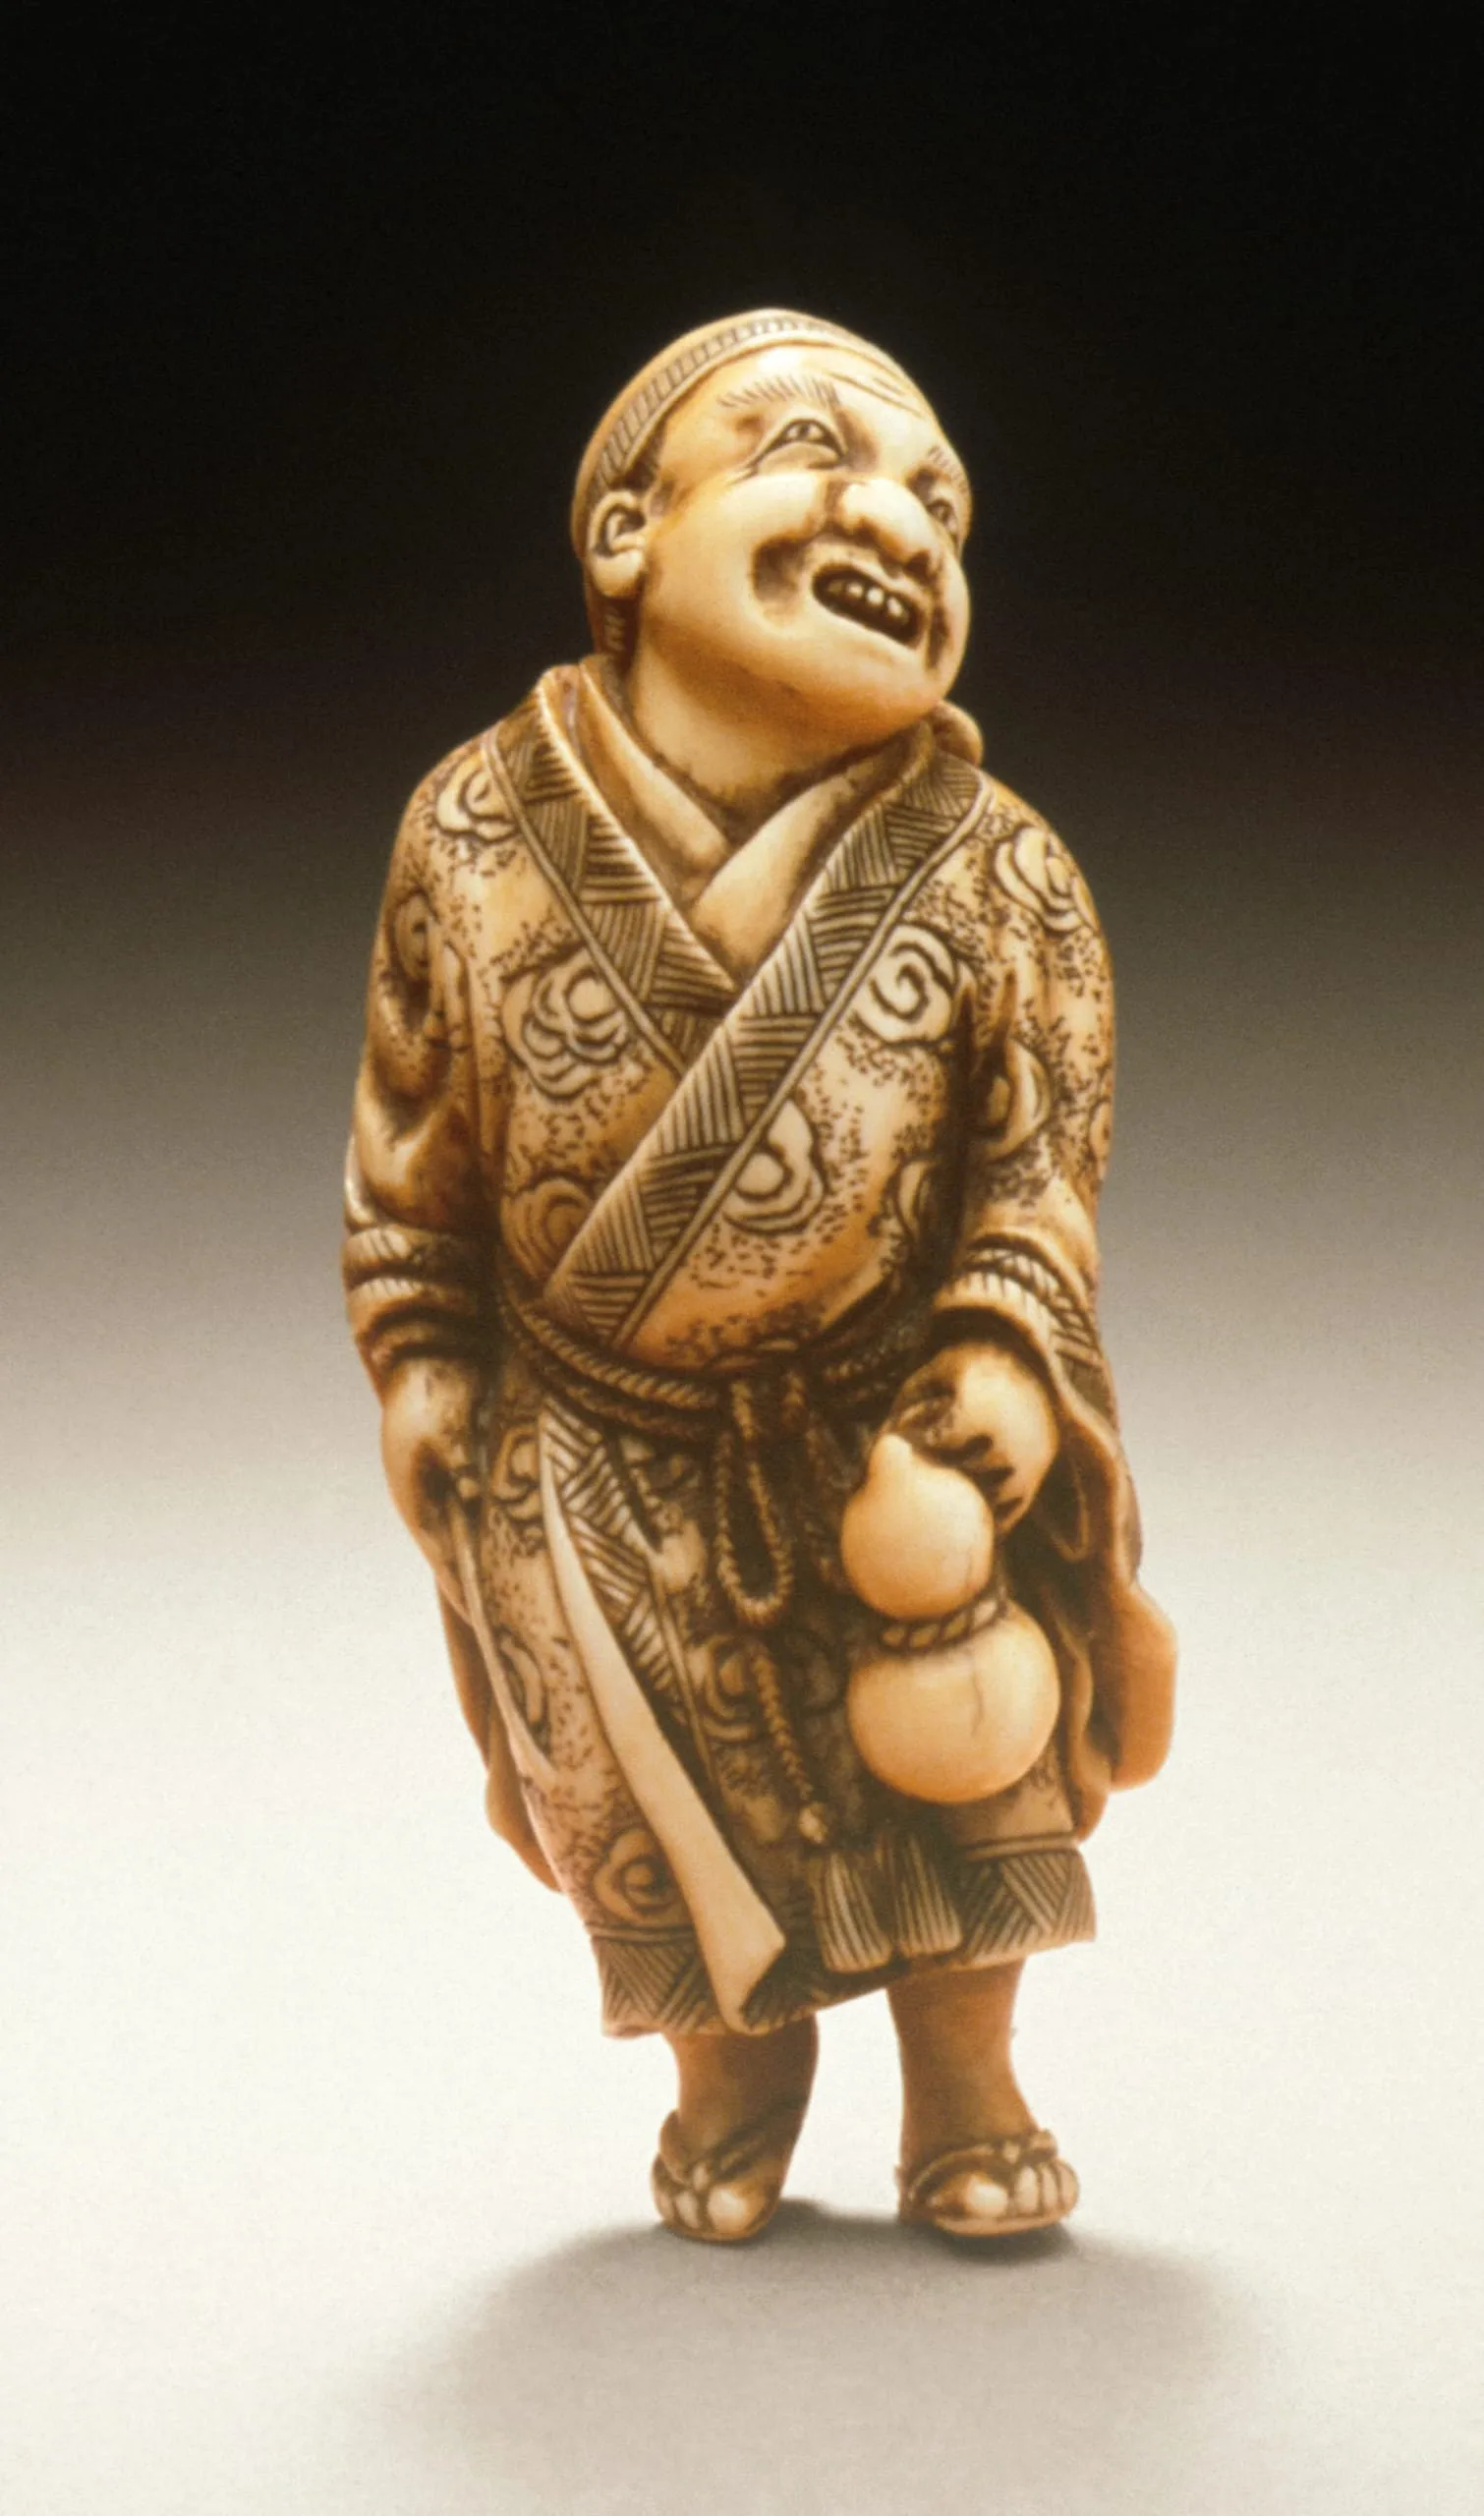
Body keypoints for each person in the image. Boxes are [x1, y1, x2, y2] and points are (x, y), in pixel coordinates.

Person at [343, 310, 1175, 2243]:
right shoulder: (469, 832)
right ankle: (736, 2079)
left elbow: (1038, 1161)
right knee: (640, 1821)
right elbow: (413, 1148)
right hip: (587, 1453)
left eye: (941, 503)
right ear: (624, 533)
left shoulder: (995, 870)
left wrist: (1003, 1355)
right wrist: (418, 1349)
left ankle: (963, 2083)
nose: (897, 516)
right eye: (814, 450)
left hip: (892, 1430)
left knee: (960, 1792)